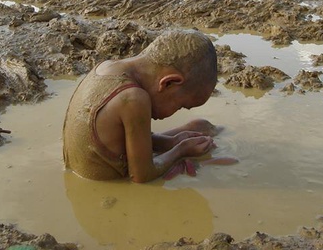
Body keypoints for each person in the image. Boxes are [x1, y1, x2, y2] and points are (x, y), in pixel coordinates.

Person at [62, 29, 220, 183]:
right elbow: (142, 176)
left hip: (78, 174)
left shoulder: (106, 67)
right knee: (198, 130)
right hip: (109, 187)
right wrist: (180, 151)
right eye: (181, 106)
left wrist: (172, 141)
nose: (175, 112)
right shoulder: (134, 99)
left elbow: (118, 138)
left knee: (199, 126)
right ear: (169, 82)